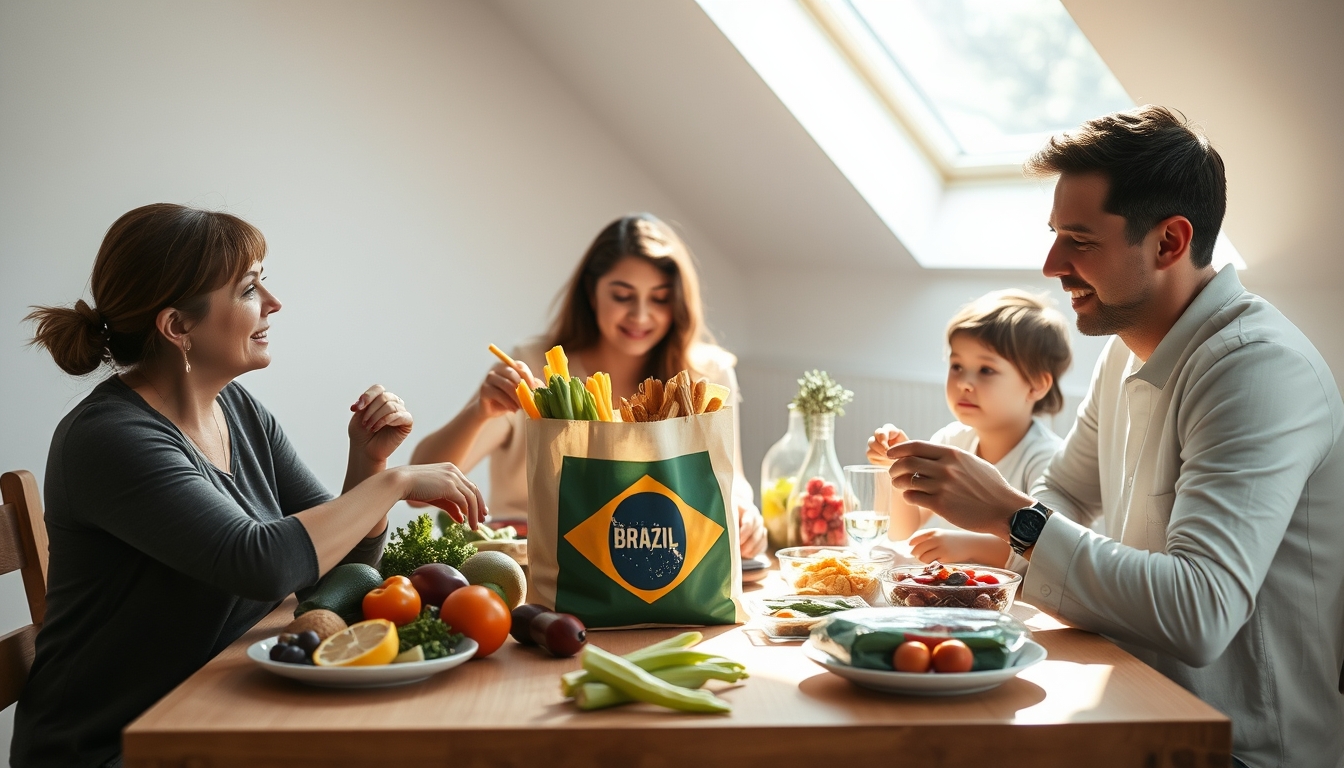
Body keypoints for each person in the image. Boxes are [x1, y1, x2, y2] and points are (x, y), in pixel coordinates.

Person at [885, 106, 1344, 767]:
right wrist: (987, 563)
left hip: (1237, 749)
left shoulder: (1256, 369)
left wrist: (1009, 514)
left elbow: (1200, 610)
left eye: (1080, 240)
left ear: (1168, 242)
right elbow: (1068, 493)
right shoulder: (1125, 349)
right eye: (1055, 235)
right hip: (1136, 706)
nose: (1052, 264)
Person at [14, 204, 484, 768]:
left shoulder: (235, 408)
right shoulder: (110, 440)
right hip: (115, 745)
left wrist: (369, 463)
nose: (273, 302)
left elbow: (334, 574)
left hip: (217, 709)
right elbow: (260, 563)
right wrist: (395, 484)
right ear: (177, 327)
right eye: (248, 289)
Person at [412, 213, 766, 559]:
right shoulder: (533, 366)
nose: (641, 315)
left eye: (659, 299)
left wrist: (744, 512)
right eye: (623, 296)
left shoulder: (707, 375)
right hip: (536, 564)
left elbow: (730, 481)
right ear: (591, 293)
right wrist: (479, 413)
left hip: (663, 564)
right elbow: (418, 492)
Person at [866, 290, 1071, 571]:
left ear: (1036, 385)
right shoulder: (951, 441)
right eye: (957, 366)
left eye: (986, 370)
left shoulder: (1047, 459)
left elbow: (1052, 551)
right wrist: (894, 468)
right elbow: (902, 530)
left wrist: (969, 546)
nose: (964, 382)